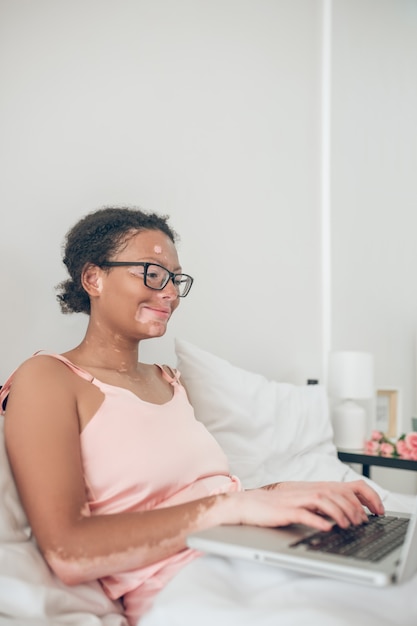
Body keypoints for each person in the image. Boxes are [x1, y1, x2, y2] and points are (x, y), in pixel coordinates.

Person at [1, 206, 384, 625]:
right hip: (194, 584)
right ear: (93, 278)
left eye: (176, 278)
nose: (170, 293)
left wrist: (286, 493)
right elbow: (68, 551)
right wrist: (231, 509)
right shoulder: (48, 378)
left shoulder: (169, 381)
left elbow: (198, 493)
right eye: (151, 273)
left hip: (254, 552)